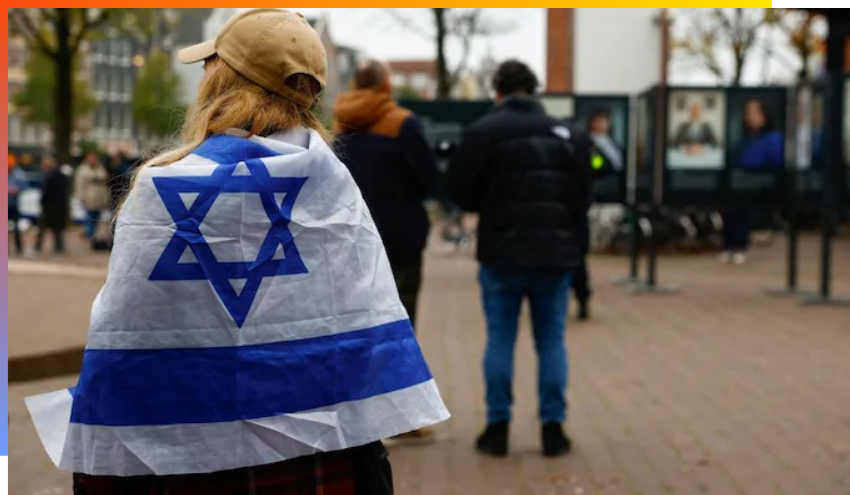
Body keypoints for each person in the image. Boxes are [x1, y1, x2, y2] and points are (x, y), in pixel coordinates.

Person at [26, 9, 448, 495]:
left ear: (222, 78)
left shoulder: (160, 187)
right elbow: (358, 328)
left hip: (182, 462)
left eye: (209, 66)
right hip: (317, 457)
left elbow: (127, 333)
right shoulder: (333, 186)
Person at [448, 60, 590, 458]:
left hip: (501, 253)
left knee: (499, 340)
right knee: (551, 341)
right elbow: (583, 194)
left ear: (498, 92)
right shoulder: (568, 133)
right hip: (556, 255)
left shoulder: (482, 133)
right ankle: (553, 430)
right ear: (535, 90)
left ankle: (497, 429)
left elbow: (460, 191)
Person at [334, 60, 440, 445]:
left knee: (357, 322)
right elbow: (429, 178)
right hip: (401, 235)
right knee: (402, 321)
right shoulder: (401, 122)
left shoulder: (340, 123)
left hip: (352, 238)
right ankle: (403, 417)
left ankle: (357, 411)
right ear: (386, 85)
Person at [720, 99, 784, 265]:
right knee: (729, 209)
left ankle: (740, 245)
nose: (750, 117)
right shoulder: (743, 140)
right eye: (748, 113)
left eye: (755, 113)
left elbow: (775, 163)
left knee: (743, 210)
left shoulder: (772, 139)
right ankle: (729, 245)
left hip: (758, 184)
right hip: (737, 182)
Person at [35, 155, 70, 255]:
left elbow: (45, 191)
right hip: (58, 206)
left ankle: (38, 247)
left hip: (49, 206)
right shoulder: (60, 174)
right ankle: (59, 248)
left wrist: (42, 201)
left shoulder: (49, 175)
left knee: (42, 227)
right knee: (57, 229)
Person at [74, 151, 109, 239]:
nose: (93, 160)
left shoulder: (100, 168)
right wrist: (80, 197)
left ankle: (91, 234)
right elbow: (79, 185)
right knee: (90, 217)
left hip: (99, 199)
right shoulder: (82, 170)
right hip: (88, 198)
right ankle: (89, 235)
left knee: (96, 218)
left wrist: (106, 197)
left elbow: (105, 183)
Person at [8, 157, 30, 256]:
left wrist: (17, 189)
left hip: (14, 204)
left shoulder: (18, 174)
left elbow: (25, 185)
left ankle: (19, 248)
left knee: (16, 227)